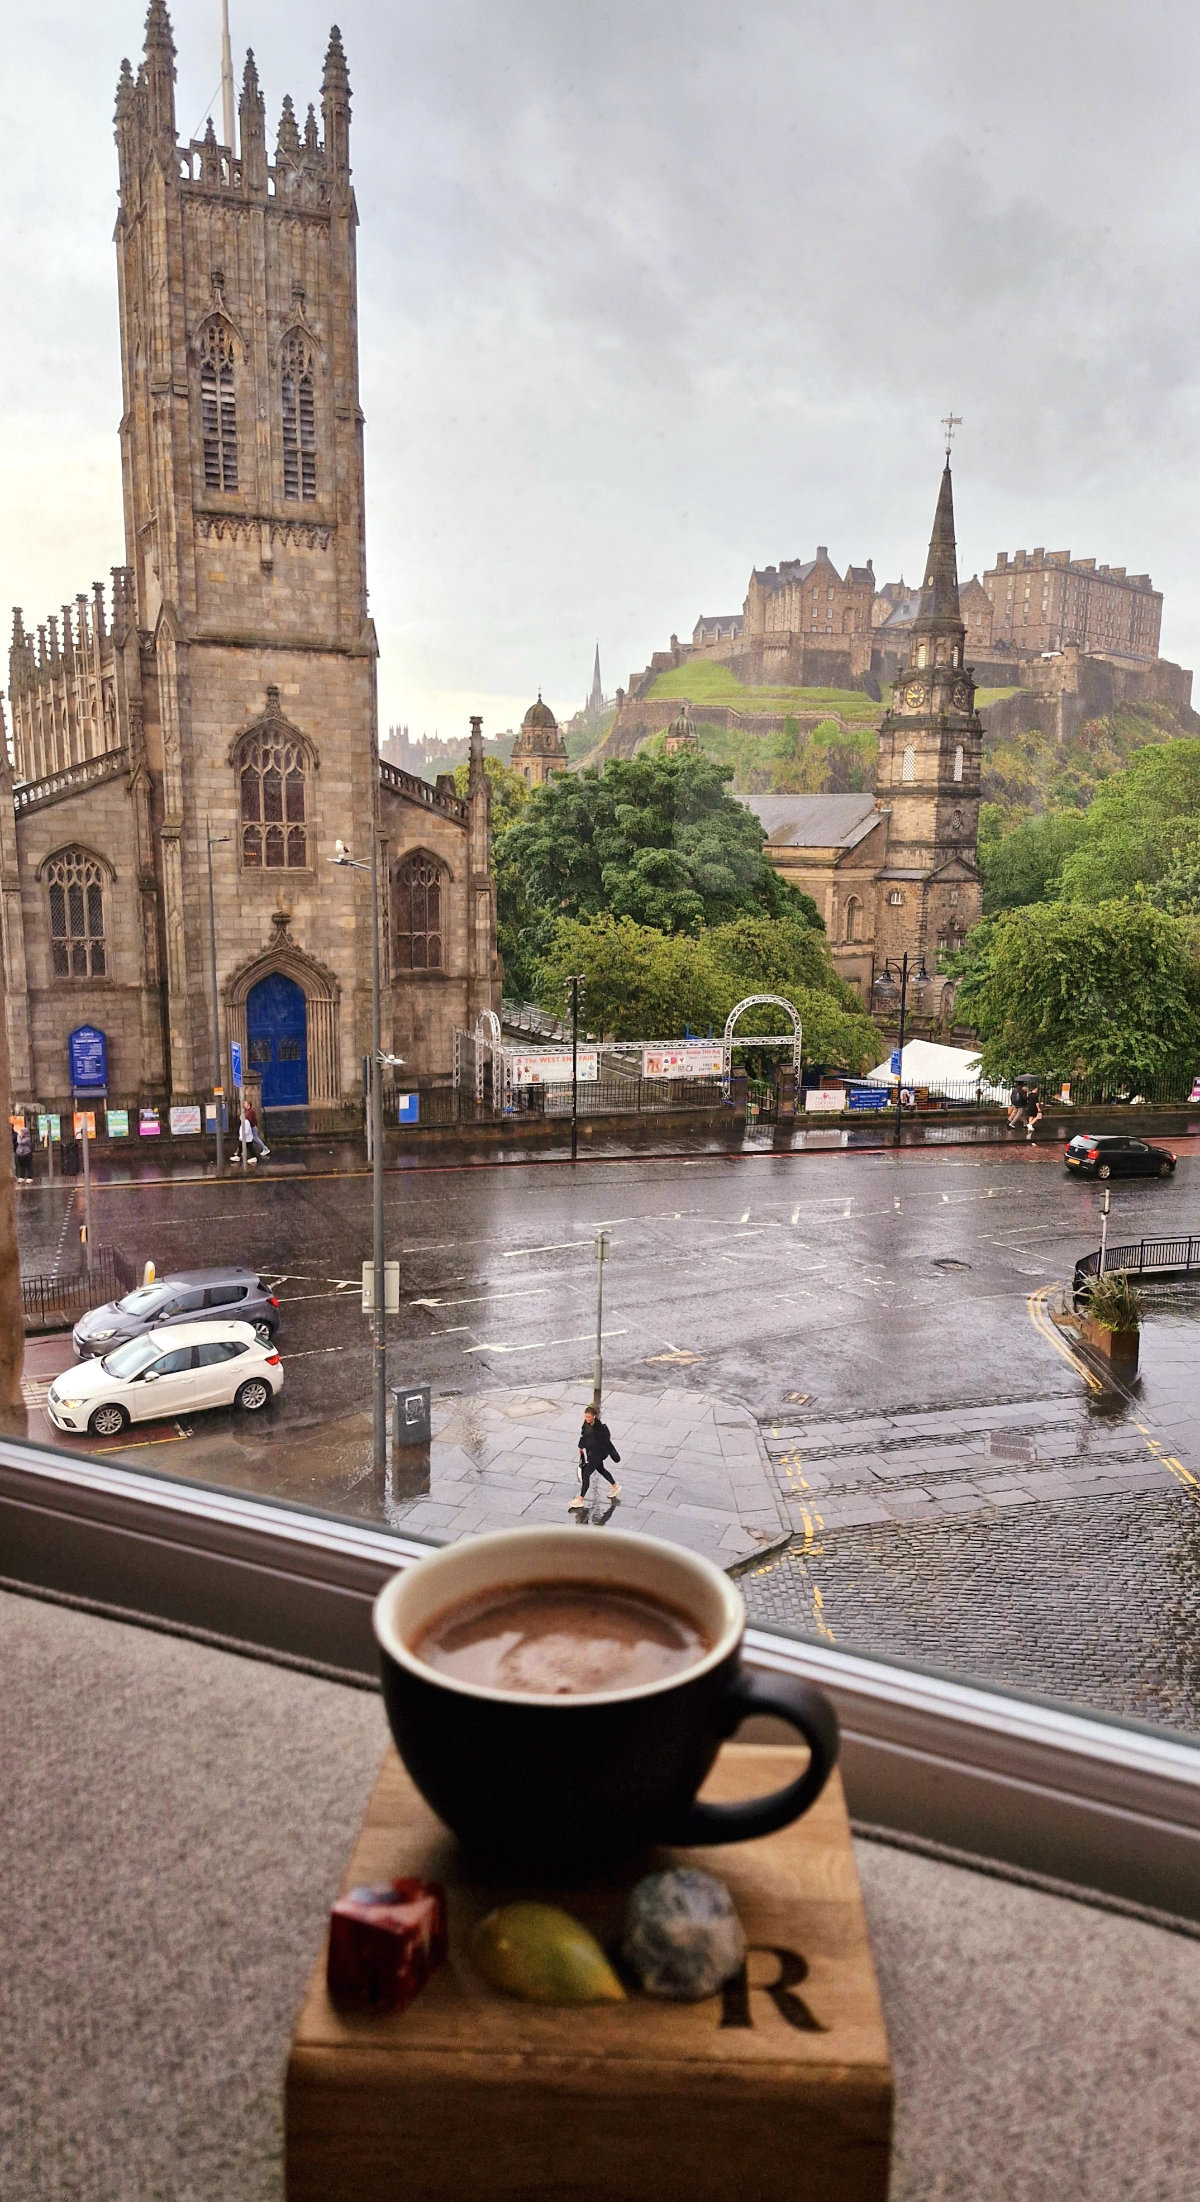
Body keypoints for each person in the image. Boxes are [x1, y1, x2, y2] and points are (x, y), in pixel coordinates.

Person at [569, 1402, 621, 1512]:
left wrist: (585, 1446)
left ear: (594, 1416)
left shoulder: (598, 1430)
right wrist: (581, 1446)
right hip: (591, 1453)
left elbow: (597, 1441)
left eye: (588, 1417)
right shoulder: (587, 1424)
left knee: (586, 1475)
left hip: (596, 1455)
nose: (586, 1418)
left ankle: (580, 1499)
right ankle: (615, 1485)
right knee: (601, 1470)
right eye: (585, 1416)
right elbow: (584, 1435)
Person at [239, 1095, 270, 1164]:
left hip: (252, 1128)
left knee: (255, 1139)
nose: (244, 1104)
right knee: (249, 1140)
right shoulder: (249, 1111)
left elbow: (250, 1120)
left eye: (245, 1103)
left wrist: (244, 1120)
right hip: (252, 1127)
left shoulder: (250, 1111)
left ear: (248, 1105)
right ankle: (242, 1151)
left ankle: (265, 1149)